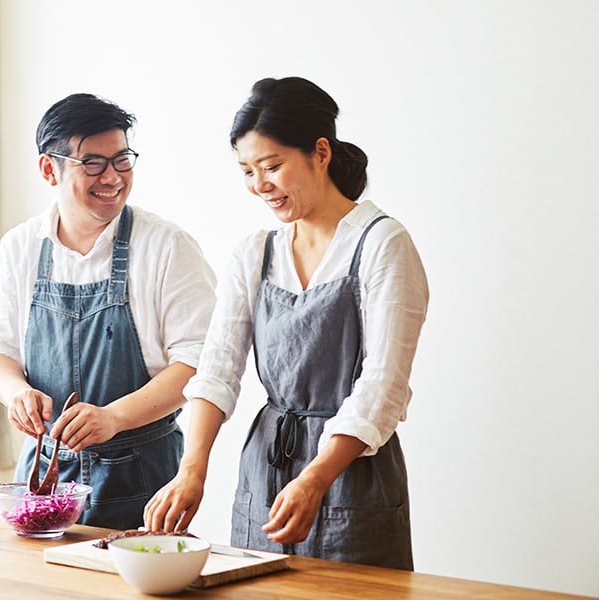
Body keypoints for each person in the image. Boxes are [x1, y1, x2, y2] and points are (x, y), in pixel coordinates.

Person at [143, 77, 429, 570]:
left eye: (272, 166)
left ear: (320, 152)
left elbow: (383, 386)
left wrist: (317, 477)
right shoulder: (255, 253)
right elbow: (217, 371)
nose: (260, 185)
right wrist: (193, 470)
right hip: (266, 467)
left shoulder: (382, 244)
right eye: (248, 171)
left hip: (350, 469)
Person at [0, 93, 217, 530]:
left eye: (122, 160)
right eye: (93, 163)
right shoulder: (19, 247)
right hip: (44, 477)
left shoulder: (167, 247)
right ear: (50, 168)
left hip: (143, 477)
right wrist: (15, 393)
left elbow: (198, 363)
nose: (113, 177)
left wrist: (114, 418)